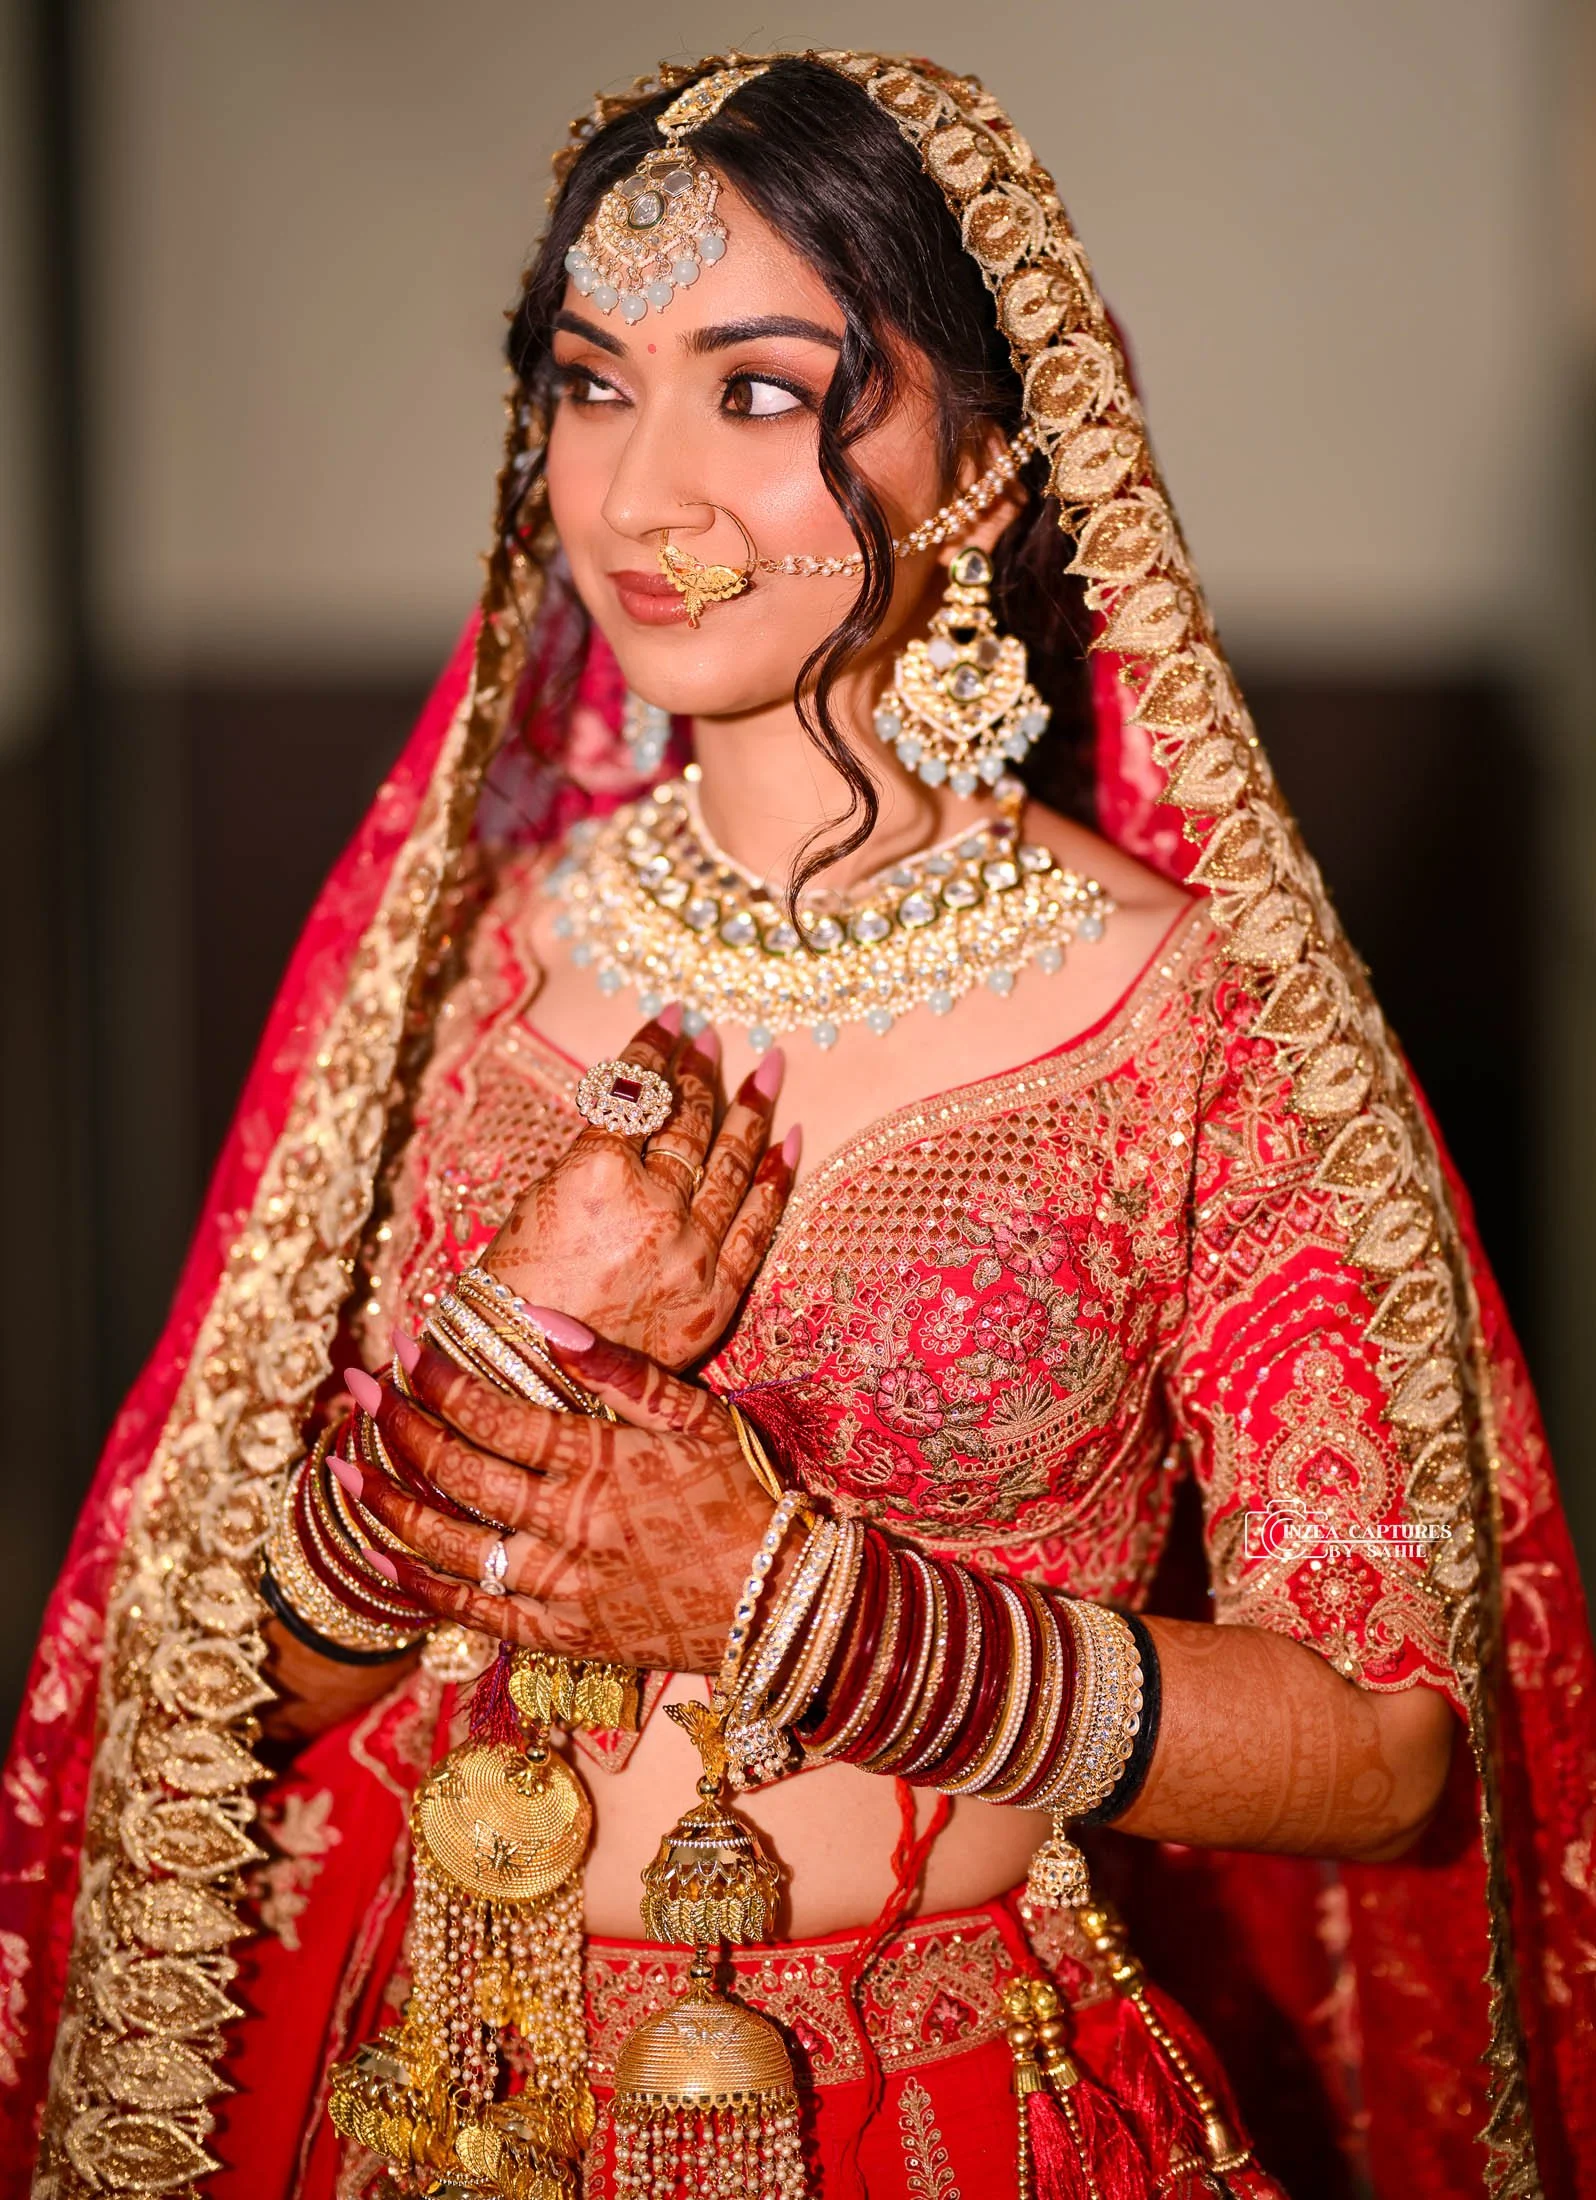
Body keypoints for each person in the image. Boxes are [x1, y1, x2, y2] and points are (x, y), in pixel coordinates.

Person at [3, 49, 1592, 2200]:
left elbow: (1387, 1748)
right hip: (437, 2101)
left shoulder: (1181, 1022)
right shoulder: (473, 960)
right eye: (588, 382)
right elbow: (217, 1699)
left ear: (992, 467)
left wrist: (785, 1595)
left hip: (949, 2112)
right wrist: (519, 1333)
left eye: (757, 392)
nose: (639, 492)